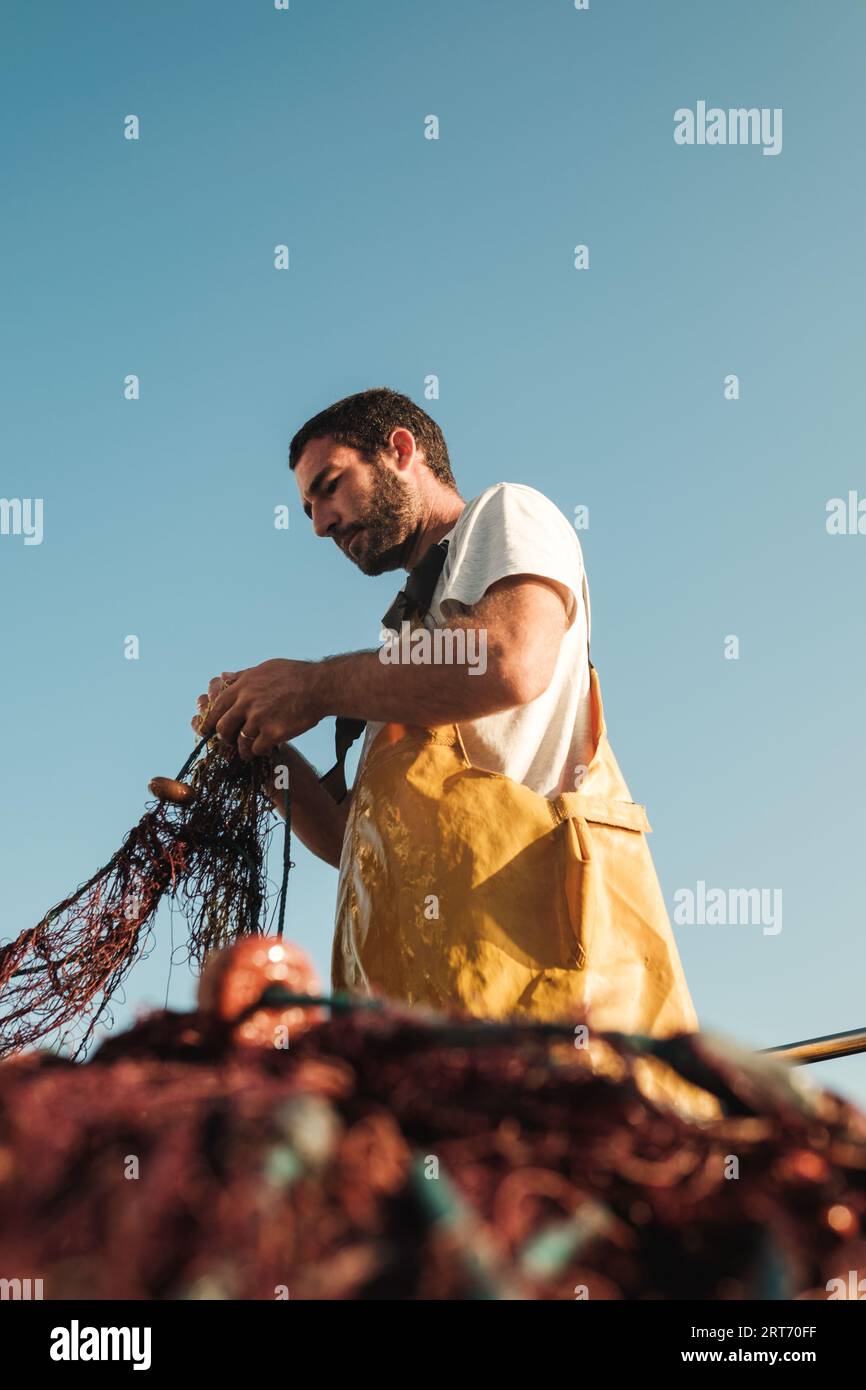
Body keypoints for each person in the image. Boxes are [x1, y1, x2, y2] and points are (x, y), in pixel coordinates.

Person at [195, 388, 711, 1108]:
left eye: (328, 487)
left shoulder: (506, 514)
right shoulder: (405, 654)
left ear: (400, 451)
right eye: (308, 509)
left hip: (554, 1011)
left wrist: (313, 687)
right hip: (426, 1041)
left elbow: (508, 658)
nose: (317, 524)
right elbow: (355, 841)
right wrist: (263, 754)